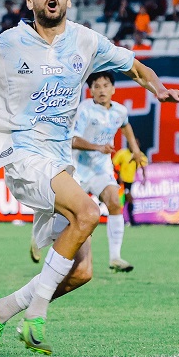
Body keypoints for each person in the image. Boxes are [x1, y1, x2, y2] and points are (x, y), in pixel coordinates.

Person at [0, 0, 179, 357]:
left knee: (81, 272)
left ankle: (2, 311)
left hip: (59, 160)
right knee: (90, 212)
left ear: (69, 0)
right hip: (21, 152)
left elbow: (135, 67)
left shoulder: (86, 41)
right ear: (30, 2)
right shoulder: (8, 43)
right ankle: (37, 313)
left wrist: (159, 89)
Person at [59, 71, 146, 272]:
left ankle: (115, 257)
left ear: (113, 89)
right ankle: (45, 241)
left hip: (100, 168)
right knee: (70, 216)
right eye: (96, 86)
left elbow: (126, 126)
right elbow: (72, 140)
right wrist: (97, 147)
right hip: (77, 169)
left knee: (115, 202)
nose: (101, 90)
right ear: (90, 91)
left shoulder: (120, 111)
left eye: (105, 85)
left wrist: (135, 149)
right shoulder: (84, 110)